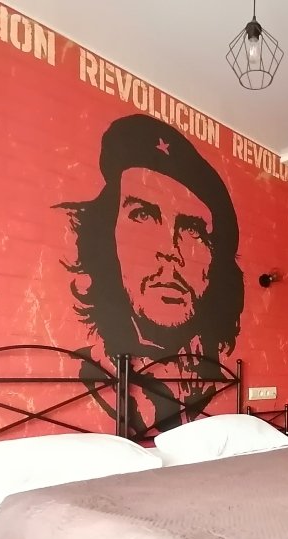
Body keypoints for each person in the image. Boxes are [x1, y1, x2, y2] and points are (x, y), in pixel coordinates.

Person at [57, 114, 244, 437]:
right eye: (143, 215)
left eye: (193, 230)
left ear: (215, 265)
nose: (170, 251)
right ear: (108, 236)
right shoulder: (88, 376)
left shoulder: (214, 379)